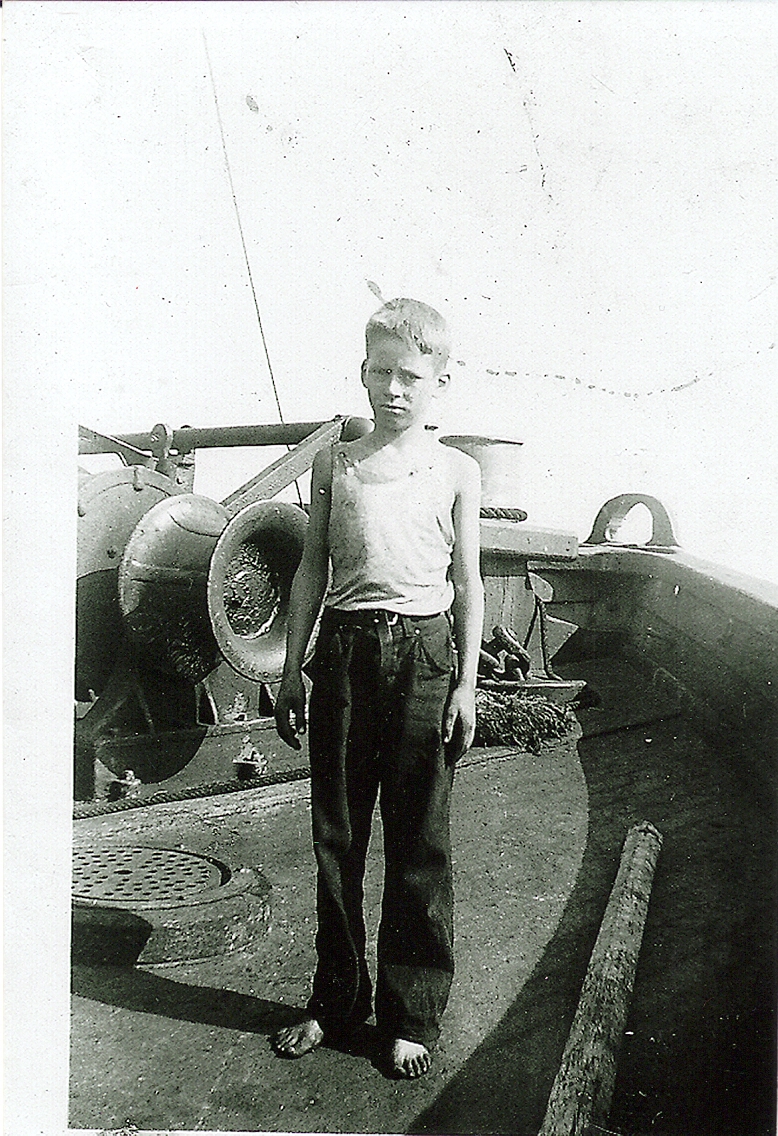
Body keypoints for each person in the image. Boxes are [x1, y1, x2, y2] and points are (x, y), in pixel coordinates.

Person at [272, 298, 484, 1078]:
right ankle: (335, 1002)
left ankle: (408, 1014)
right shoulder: (336, 463)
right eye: (381, 371)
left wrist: (466, 684)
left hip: (425, 657)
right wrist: (295, 668)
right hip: (346, 657)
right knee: (338, 839)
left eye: (411, 375)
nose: (394, 388)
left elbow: (467, 582)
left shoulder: (457, 471)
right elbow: (309, 570)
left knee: (420, 842)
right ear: (362, 373)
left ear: (441, 381)